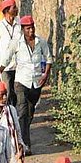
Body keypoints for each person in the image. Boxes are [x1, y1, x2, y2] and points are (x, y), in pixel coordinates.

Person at [11, 16, 51, 154]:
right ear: (23, 30)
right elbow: (6, 58)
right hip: (21, 81)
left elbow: (49, 59)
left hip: (36, 82)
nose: (31, 30)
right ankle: (24, 145)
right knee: (22, 112)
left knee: (30, 113)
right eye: (28, 28)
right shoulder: (17, 43)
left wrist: (45, 74)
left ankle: (20, 133)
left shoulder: (41, 42)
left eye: (32, 27)